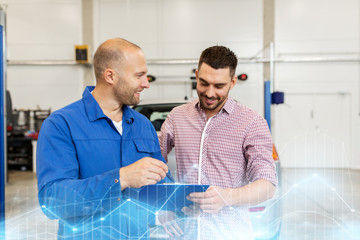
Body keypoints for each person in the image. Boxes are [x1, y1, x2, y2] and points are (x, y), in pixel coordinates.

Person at [37, 38, 172, 240]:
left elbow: (161, 182)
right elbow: (53, 201)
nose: (146, 84)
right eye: (139, 76)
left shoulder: (142, 125)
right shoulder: (61, 125)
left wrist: (182, 199)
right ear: (110, 76)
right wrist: (121, 178)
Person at [159, 45, 277, 239]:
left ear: (232, 82)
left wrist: (227, 197)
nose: (210, 93)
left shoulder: (252, 122)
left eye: (219, 86)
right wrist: (162, 205)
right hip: (184, 233)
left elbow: (267, 186)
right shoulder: (177, 117)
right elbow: (152, 163)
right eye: (204, 83)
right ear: (196, 75)